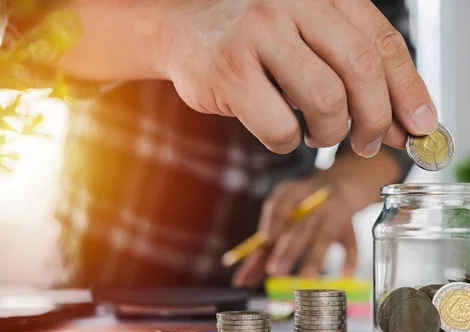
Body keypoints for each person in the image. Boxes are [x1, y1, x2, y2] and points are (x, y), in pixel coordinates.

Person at [5, 0, 438, 289]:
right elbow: (21, 30)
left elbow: (393, 123)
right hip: (106, 268)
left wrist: (341, 188)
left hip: (272, 281)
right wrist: (169, 32)